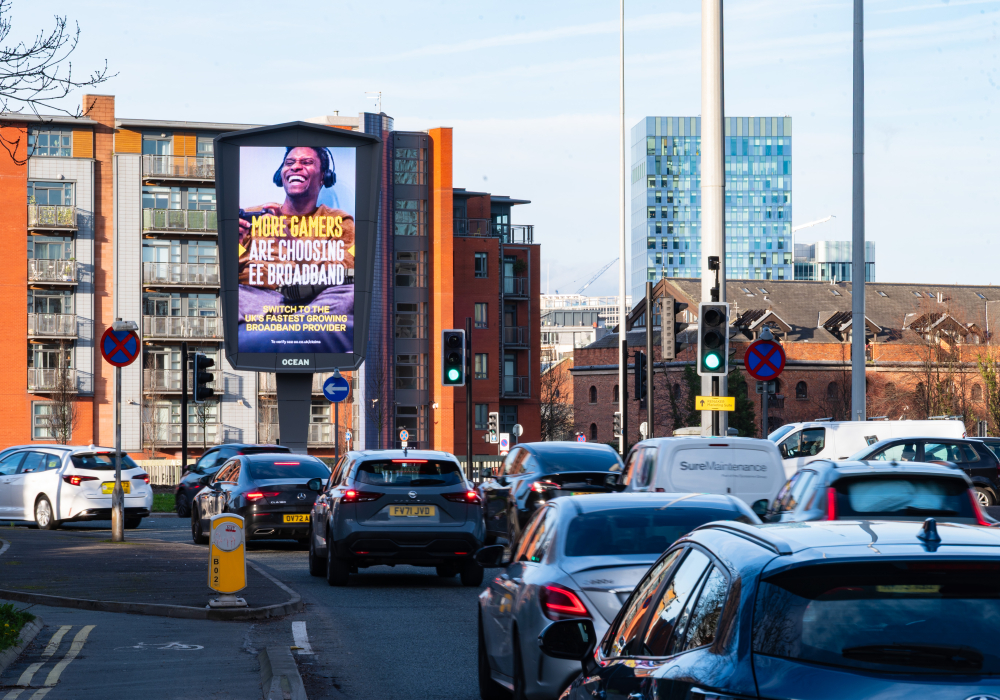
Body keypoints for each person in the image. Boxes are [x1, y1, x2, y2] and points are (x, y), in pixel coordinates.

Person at [238, 146, 356, 353]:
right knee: (229, 295)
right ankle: (295, 326)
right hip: (255, 296)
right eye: (290, 163)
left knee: (353, 291)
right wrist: (236, 244)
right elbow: (222, 271)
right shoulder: (250, 215)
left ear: (324, 177)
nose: (296, 167)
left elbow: (347, 269)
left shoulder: (339, 220)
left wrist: (288, 240)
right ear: (280, 175)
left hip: (309, 301)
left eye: (307, 162)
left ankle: (286, 324)